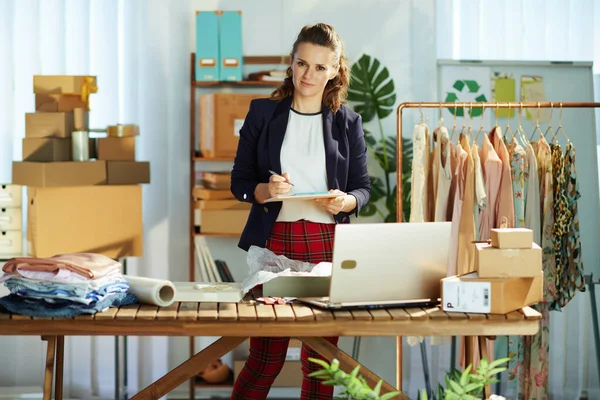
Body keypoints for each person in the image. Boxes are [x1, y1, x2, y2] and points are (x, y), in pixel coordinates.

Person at [230, 22, 370, 400]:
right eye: (302, 63)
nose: (308, 74)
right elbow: (239, 181)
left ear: (336, 71)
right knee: (264, 361)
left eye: (320, 67)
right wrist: (265, 189)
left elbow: (363, 188)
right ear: (291, 64)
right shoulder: (263, 113)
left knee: (321, 362)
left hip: (328, 247)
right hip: (275, 245)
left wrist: (347, 201)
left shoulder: (348, 122)